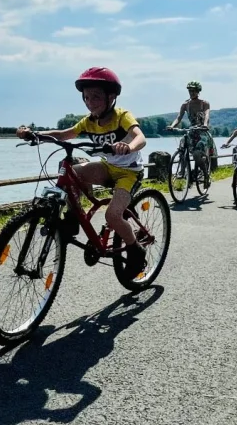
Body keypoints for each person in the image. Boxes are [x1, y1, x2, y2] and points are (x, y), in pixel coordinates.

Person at [16, 67, 147, 279]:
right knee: (72, 172)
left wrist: (129, 147)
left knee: (112, 216)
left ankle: (135, 249)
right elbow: (64, 134)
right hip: (107, 167)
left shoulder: (121, 116)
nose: (90, 102)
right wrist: (36, 135)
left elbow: (140, 136)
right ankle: (71, 218)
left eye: (96, 97)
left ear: (111, 97)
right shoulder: (88, 121)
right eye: (86, 97)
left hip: (128, 173)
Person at [167, 80, 216, 172]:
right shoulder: (185, 104)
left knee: (197, 154)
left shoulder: (204, 103)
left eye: (194, 91)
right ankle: (183, 171)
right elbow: (179, 117)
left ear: (198, 91)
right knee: (182, 145)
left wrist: (205, 125)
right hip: (192, 131)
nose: (191, 93)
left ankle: (205, 173)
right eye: (190, 91)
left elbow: (207, 115)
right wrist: (172, 126)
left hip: (202, 131)